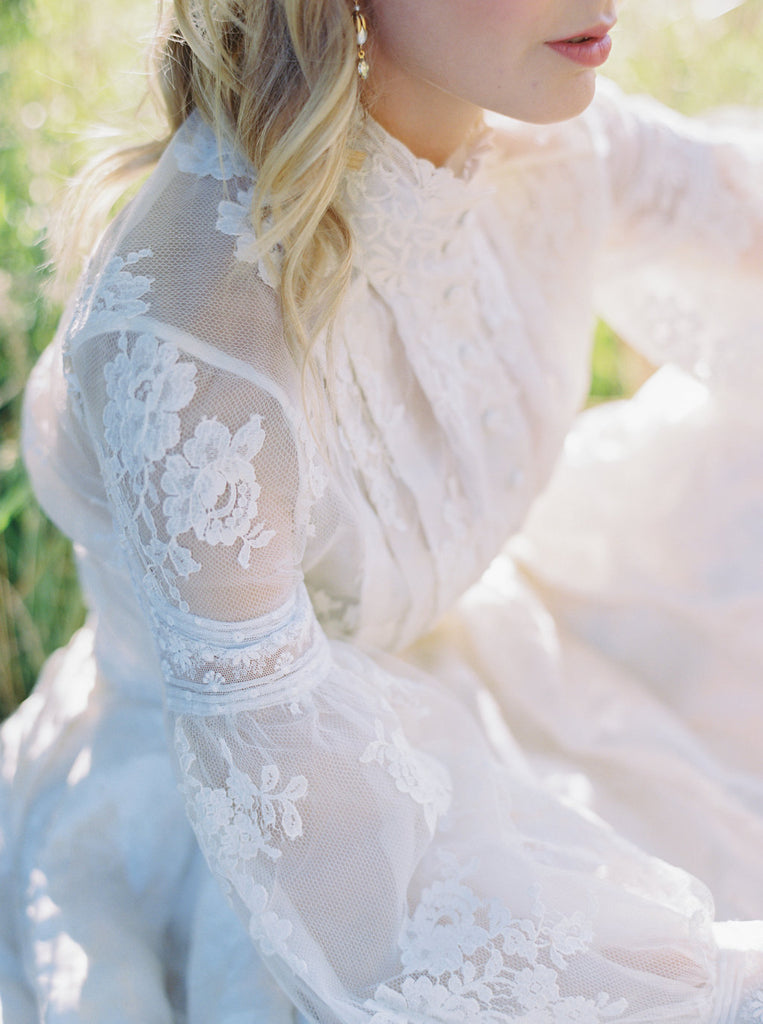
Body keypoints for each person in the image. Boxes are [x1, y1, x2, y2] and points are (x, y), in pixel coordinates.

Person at [1, 0, 762, 1020]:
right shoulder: (195, 346)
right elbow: (360, 922)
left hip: (467, 665)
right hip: (262, 825)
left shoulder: (546, 142)